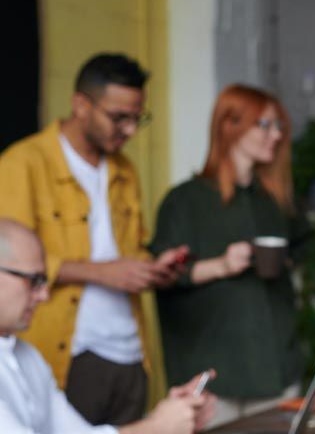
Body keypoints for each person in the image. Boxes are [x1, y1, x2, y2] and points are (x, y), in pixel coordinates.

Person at [0, 53, 189, 425]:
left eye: (138, 118)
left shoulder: (125, 170)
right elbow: (12, 256)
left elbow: (128, 250)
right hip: (70, 351)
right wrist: (102, 273)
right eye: (119, 117)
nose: (130, 130)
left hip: (130, 351)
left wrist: (152, 270)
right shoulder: (23, 164)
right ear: (81, 105)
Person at [149, 84, 303, 428]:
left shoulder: (274, 200)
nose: (275, 135)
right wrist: (221, 265)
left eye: (278, 126)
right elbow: (162, 275)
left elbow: (300, 250)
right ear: (229, 126)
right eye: (264, 125)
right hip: (217, 376)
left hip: (277, 366)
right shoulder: (185, 201)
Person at [0, 218, 215, 434]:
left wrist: (168, 419)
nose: (44, 295)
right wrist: (155, 428)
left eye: (44, 281)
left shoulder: (29, 359)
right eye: (34, 280)